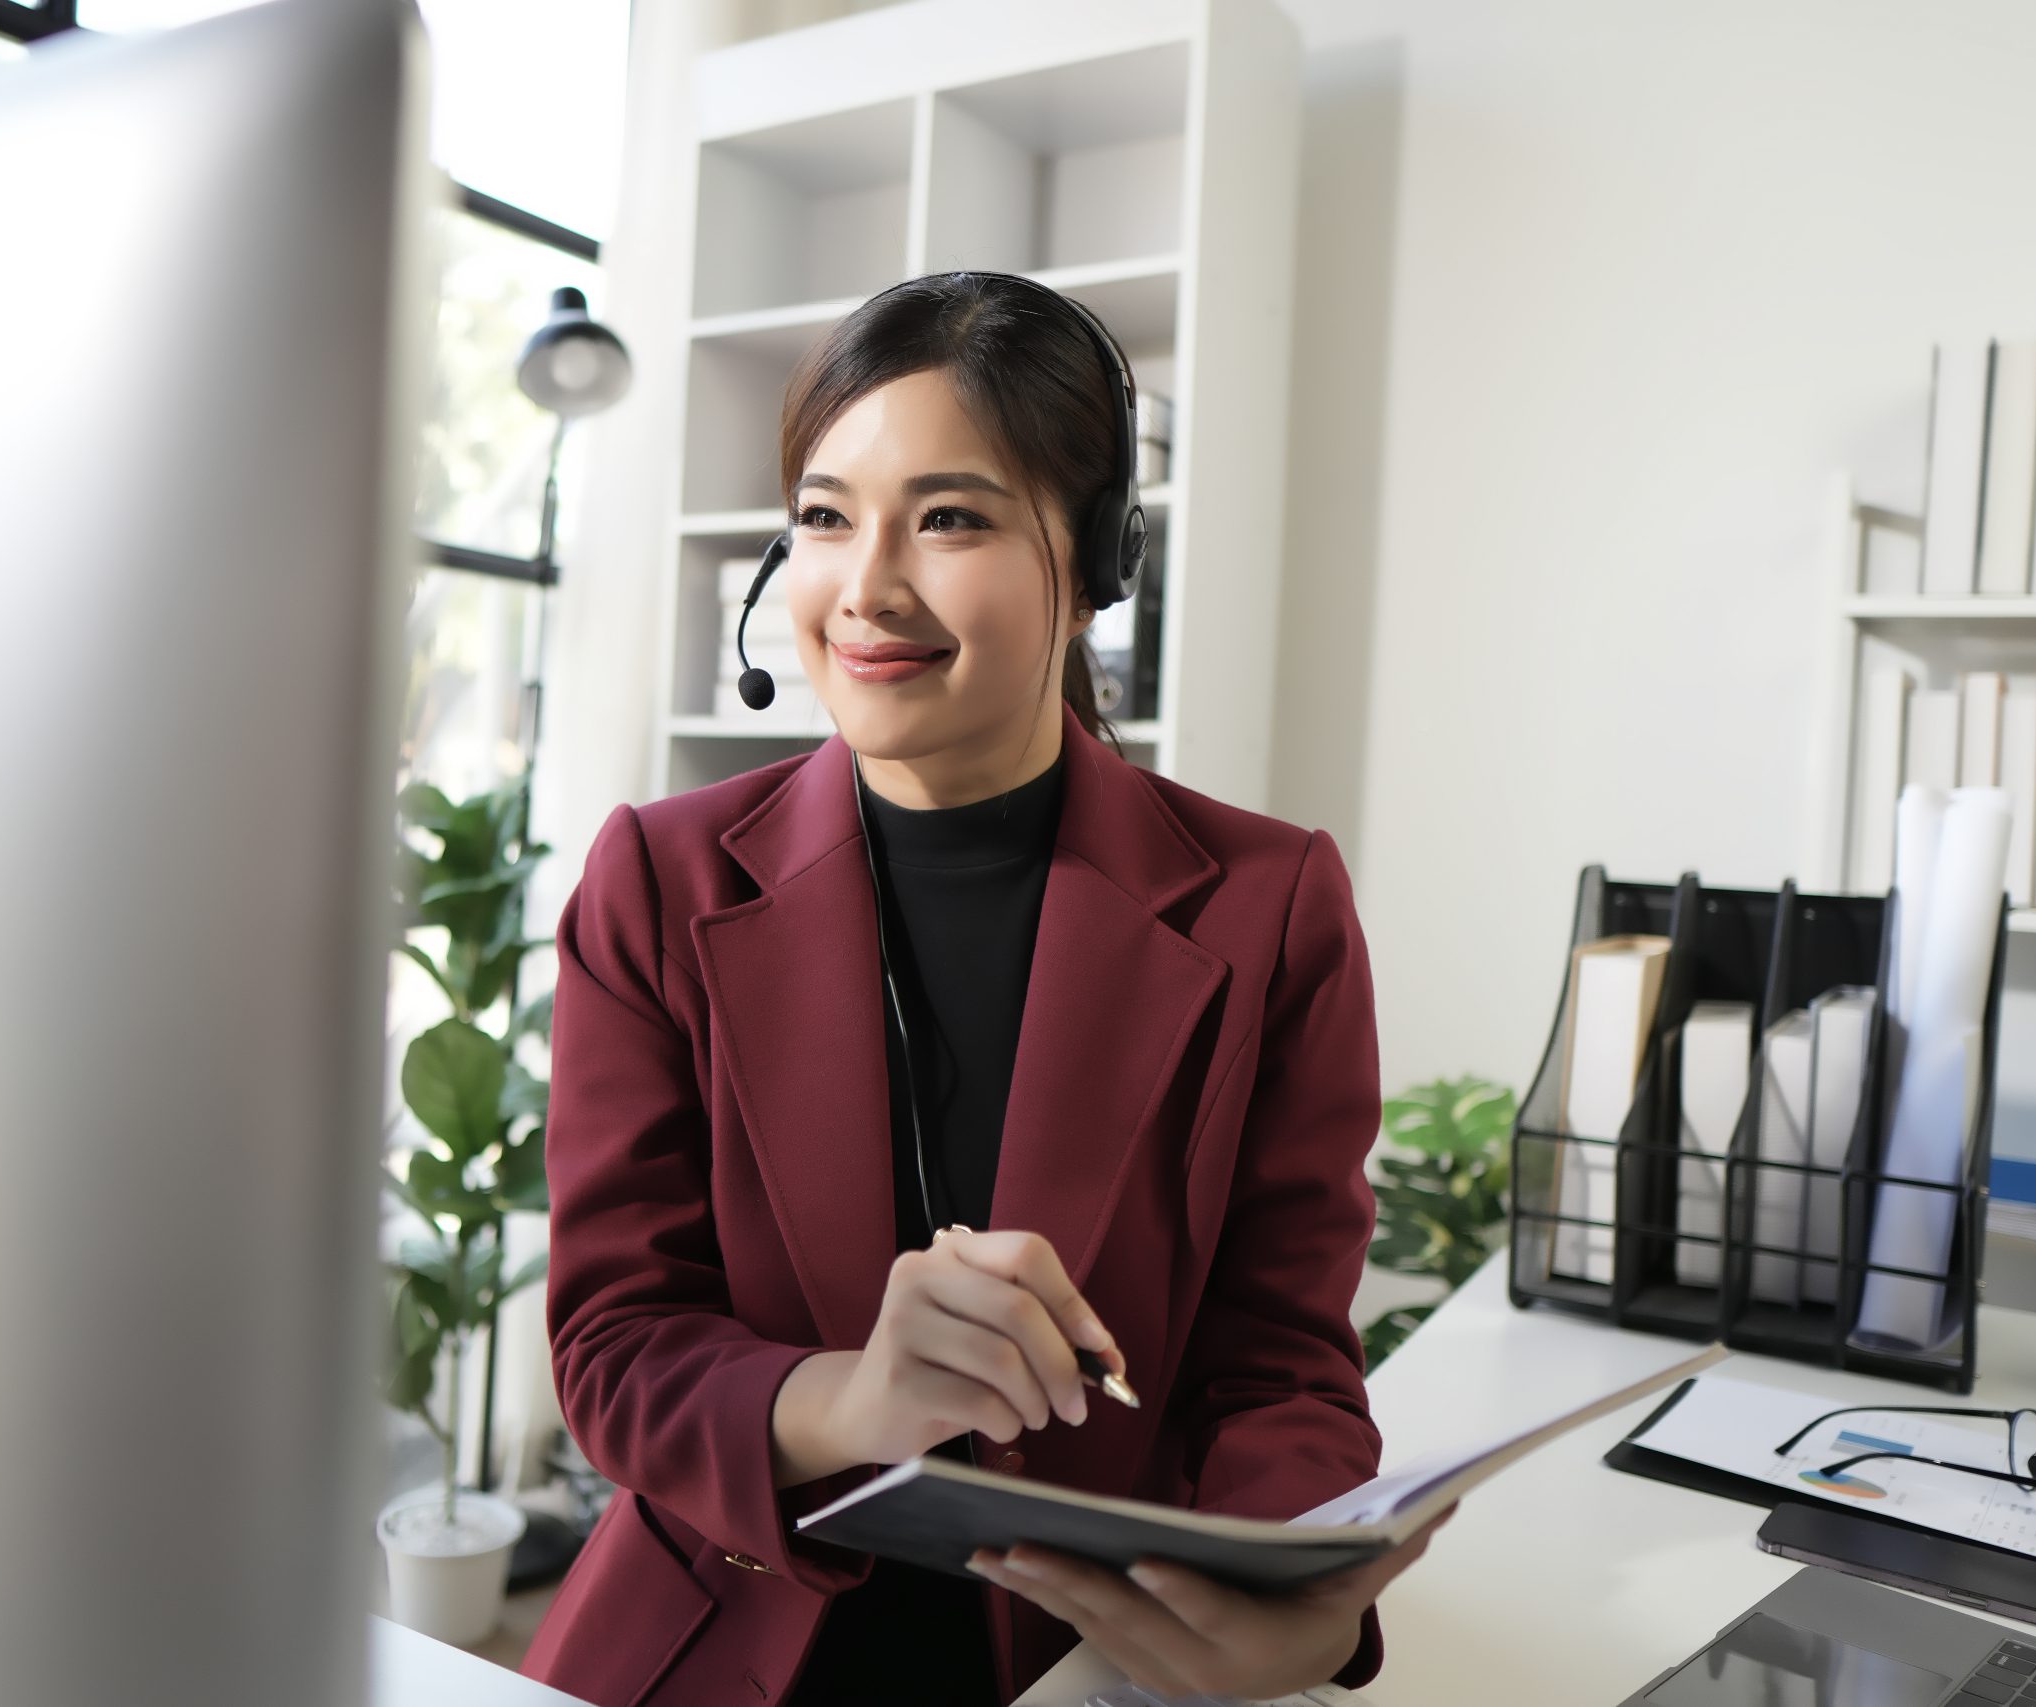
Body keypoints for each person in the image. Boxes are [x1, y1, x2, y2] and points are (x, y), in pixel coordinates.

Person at [519, 271, 1448, 1707]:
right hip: (720, 1639)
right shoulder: (658, 879)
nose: (866, 588)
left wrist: (1302, 1594)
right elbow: (613, 1341)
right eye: (826, 518)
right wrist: (850, 1397)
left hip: (1087, 1660)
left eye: (949, 518)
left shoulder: (1273, 908)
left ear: (1095, 564)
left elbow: (1282, 1365)